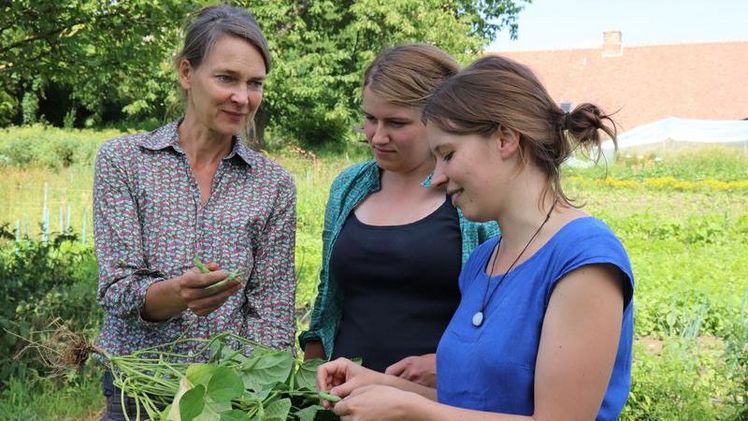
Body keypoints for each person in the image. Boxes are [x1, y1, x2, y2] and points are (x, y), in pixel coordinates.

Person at [316, 55, 634, 420]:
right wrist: (377, 383)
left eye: (447, 154)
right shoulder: (484, 260)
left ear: (505, 139)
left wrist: (413, 409)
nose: (436, 177)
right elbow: (472, 402)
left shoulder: (584, 260)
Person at [93, 5, 296, 420]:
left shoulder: (272, 184)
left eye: (255, 83)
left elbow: (272, 312)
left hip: (227, 399)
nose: (243, 97)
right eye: (227, 78)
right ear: (187, 73)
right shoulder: (125, 160)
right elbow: (116, 287)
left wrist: (252, 393)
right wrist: (179, 295)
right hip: (139, 389)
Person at [298, 44, 498, 386]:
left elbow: (502, 307)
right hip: (343, 398)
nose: (377, 136)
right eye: (370, 118)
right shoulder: (349, 186)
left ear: (439, 119)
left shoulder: (472, 192)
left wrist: (450, 363)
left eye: (396, 122)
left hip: (432, 401)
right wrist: (308, 376)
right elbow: (328, 293)